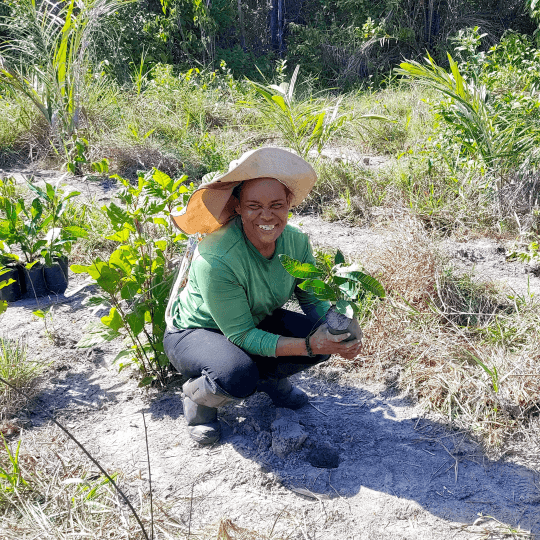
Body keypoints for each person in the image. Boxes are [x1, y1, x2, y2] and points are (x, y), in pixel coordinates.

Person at [164, 147, 363, 445]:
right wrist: (308, 344)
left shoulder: (296, 242)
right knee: (237, 375)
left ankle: (271, 380)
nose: (267, 215)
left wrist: (341, 328)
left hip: (254, 318)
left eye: (277, 205)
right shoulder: (216, 258)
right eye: (254, 205)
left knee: (328, 339)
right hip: (196, 331)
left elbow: (311, 298)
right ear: (238, 207)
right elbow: (242, 335)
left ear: (289, 205)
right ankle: (198, 400)